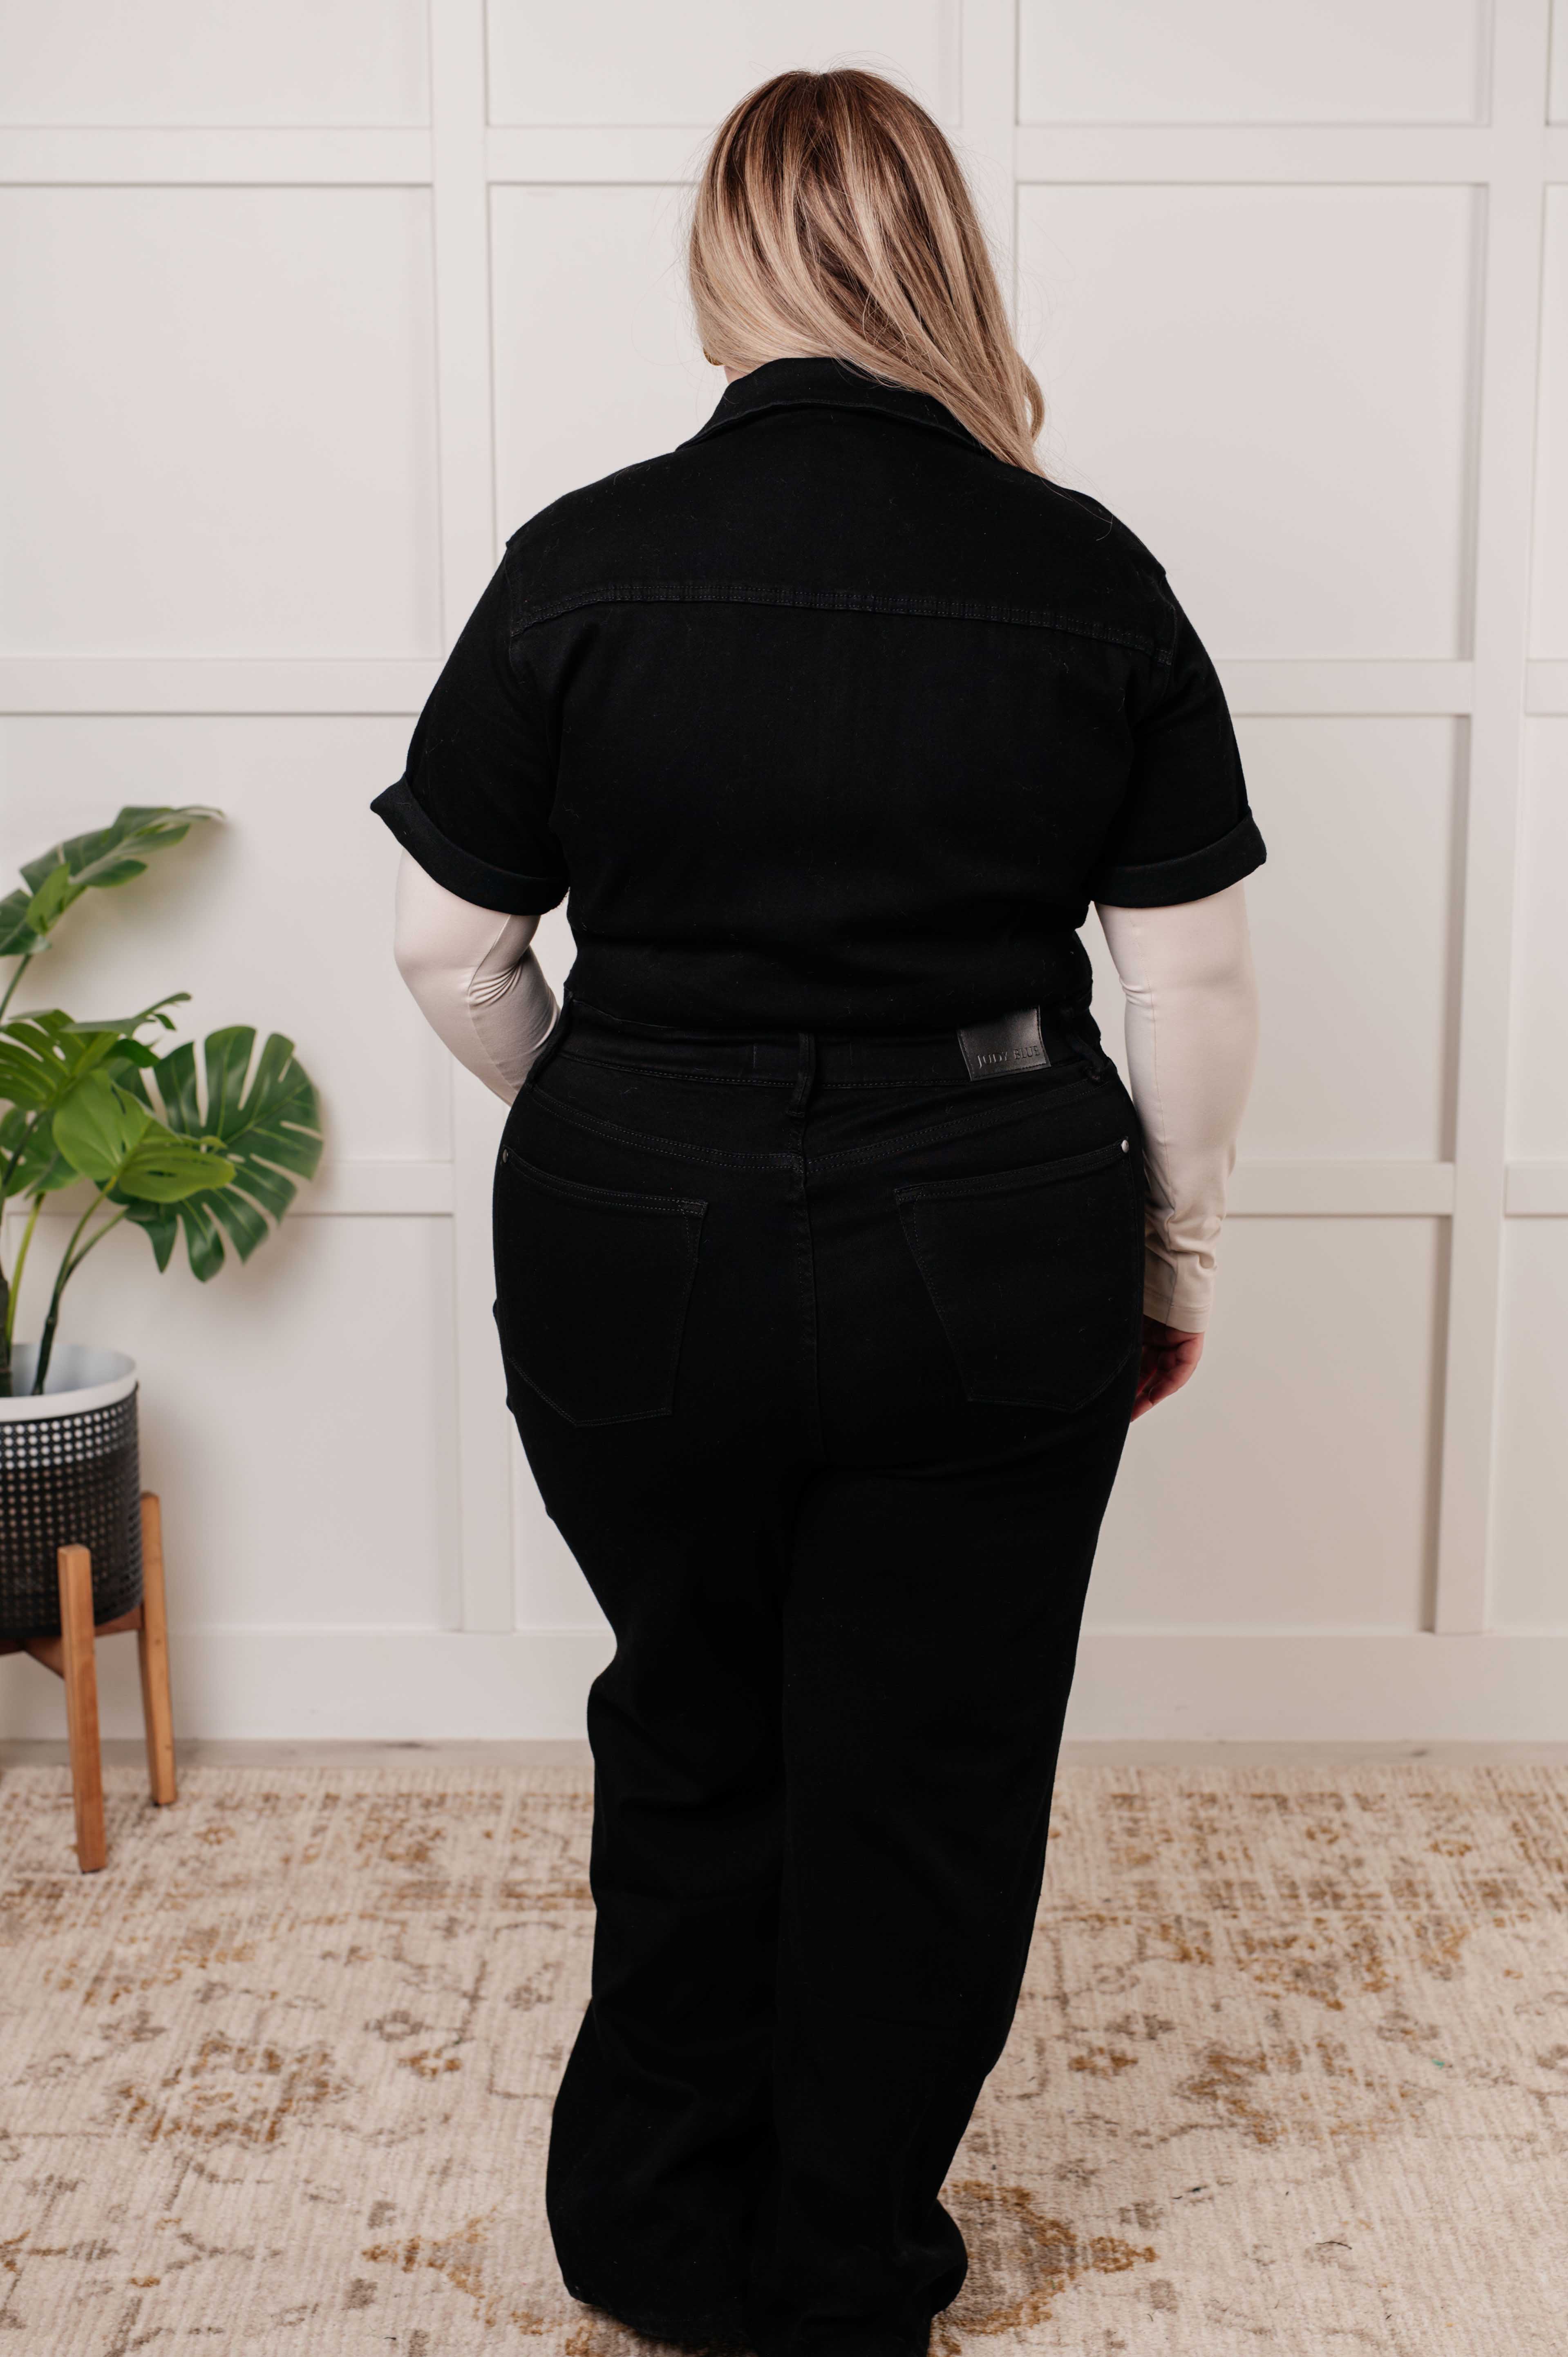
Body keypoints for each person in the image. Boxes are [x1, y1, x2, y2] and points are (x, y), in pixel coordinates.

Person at [373, 65, 1262, 2357]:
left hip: (628, 1237)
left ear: (730, 263)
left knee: (695, 1710)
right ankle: (844, 2260)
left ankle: (657, 2238)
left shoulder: (584, 559)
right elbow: (1195, 979)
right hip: (991, 1234)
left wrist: (622, 1109)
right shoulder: (1089, 578)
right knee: (927, 1759)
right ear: (940, 256)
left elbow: (448, 948)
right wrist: (1170, 1268)